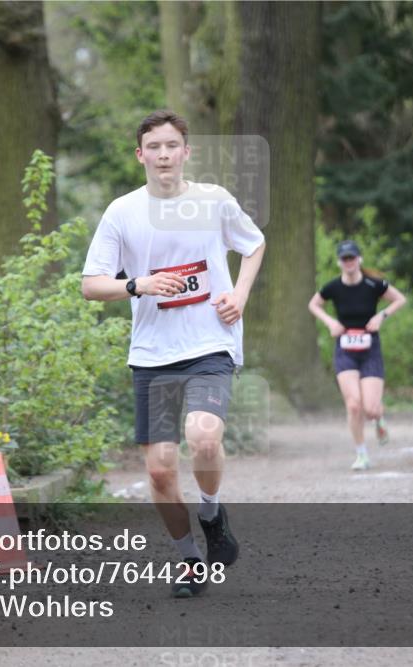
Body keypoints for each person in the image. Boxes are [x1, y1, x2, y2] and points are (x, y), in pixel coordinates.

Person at [81, 110, 266, 597]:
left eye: (171, 146)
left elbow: (254, 244)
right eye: (154, 147)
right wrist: (138, 285)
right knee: (161, 470)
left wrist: (240, 295)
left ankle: (212, 514)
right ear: (140, 155)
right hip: (152, 353)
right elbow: (91, 285)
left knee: (203, 437)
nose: (163, 155)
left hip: (210, 343)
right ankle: (190, 561)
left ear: (186, 152)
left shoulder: (214, 201)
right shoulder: (122, 212)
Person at [308, 240, 407, 471]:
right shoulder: (333, 287)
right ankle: (361, 454)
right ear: (339, 262)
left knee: (370, 408)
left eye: (352, 257)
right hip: (345, 350)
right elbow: (313, 305)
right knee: (354, 405)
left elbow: (400, 299)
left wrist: (381, 316)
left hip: (370, 349)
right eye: (345, 258)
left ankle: (379, 418)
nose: (349, 262)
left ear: (359, 259)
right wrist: (331, 322)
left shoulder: (373, 285)